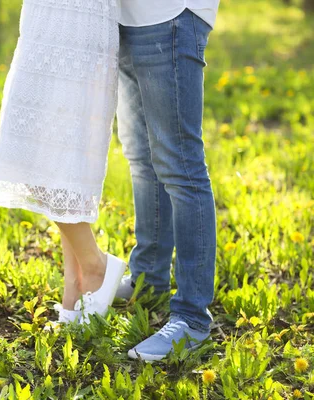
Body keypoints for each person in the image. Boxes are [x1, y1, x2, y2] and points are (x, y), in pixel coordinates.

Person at [0, 1, 127, 325]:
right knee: (56, 164)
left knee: (43, 159)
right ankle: (74, 289)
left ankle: (95, 267)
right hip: (45, 15)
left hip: (78, 17)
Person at [114, 0, 220, 360]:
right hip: (125, 19)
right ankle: (149, 279)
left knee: (181, 167)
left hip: (170, 14)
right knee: (142, 159)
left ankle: (192, 318)